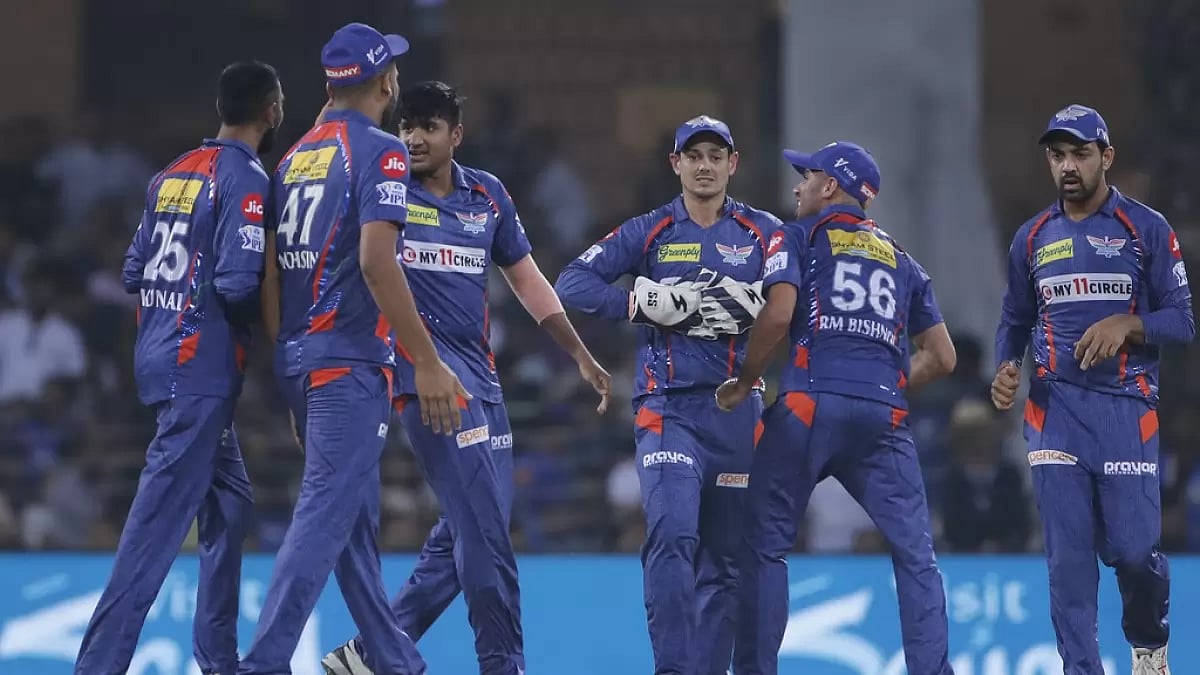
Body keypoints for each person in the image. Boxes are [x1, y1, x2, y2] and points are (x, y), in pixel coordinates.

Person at [320, 80, 612, 675]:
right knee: (485, 539)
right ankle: (502, 663)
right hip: (428, 382)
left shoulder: (488, 195)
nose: (414, 137)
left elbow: (527, 280)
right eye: (407, 125)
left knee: (473, 525)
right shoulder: (385, 189)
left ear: (456, 134)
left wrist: (578, 352)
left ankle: (371, 652)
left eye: (429, 127)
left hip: (484, 382)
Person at [240, 23, 467, 675]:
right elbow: (376, 262)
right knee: (324, 513)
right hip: (351, 359)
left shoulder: (294, 157)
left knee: (354, 520)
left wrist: (290, 368)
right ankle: (266, 660)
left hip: (306, 356)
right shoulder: (383, 151)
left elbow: (273, 272)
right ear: (385, 82)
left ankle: (392, 657)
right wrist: (424, 358)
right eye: (393, 71)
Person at [716, 141, 958, 675]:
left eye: (807, 175)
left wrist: (747, 379)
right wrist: (887, 382)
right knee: (917, 556)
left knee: (764, 547)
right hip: (884, 417)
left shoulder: (797, 234)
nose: (798, 185)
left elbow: (778, 317)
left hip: (809, 405)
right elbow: (942, 357)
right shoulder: (903, 258)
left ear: (830, 186)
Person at [73, 60, 283, 675]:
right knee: (152, 539)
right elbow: (240, 282)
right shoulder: (247, 179)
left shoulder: (171, 174)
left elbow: (134, 271)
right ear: (271, 110)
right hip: (199, 374)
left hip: (164, 362)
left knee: (232, 505)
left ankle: (217, 660)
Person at [556, 115, 780, 675]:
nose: (704, 166)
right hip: (668, 410)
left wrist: (760, 303)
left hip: (735, 411)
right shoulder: (650, 230)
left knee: (725, 563)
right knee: (673, 534)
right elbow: (572, 284)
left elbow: (796, 301)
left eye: (715, 155)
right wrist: (644, 302)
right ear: (675, 164)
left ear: (733, 163)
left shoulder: (765, 233)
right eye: (693, 155)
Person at [991, 104, 1194, 675]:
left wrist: (1126, 324)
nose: (1067, 166)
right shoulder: (1031, 237)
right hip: (1055, 410)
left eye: (1080, 153)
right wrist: (1007, 366)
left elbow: (1183, 321)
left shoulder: (1146, 229)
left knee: (1134, 555)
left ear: (1106, 157)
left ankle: (1149, 647)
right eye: (1057, 156)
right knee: (1068, 563)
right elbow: (1014, 317)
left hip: (1126, 411)